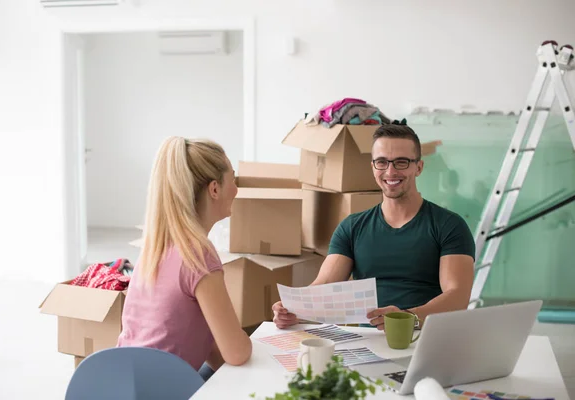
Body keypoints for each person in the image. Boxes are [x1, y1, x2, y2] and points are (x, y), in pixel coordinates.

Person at [272, 120, 475, 330]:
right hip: (369, 341)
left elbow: (457, 296)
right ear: (373, 167)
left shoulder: (449, 226)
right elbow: (324, 286)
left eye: (401, 162)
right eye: (382, 162)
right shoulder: (352, 227)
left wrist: (406, 318)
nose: (390, 171)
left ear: (419, 167)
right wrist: (294, 308)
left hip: (423, 337)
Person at [117, 136, 252, 380]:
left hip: (126, 384)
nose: (236, 188)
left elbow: (209, 346)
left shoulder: (156, 246)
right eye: (232, 178)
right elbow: (237, 353)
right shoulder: (199, 254)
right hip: (162, 390)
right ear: (214, 189)